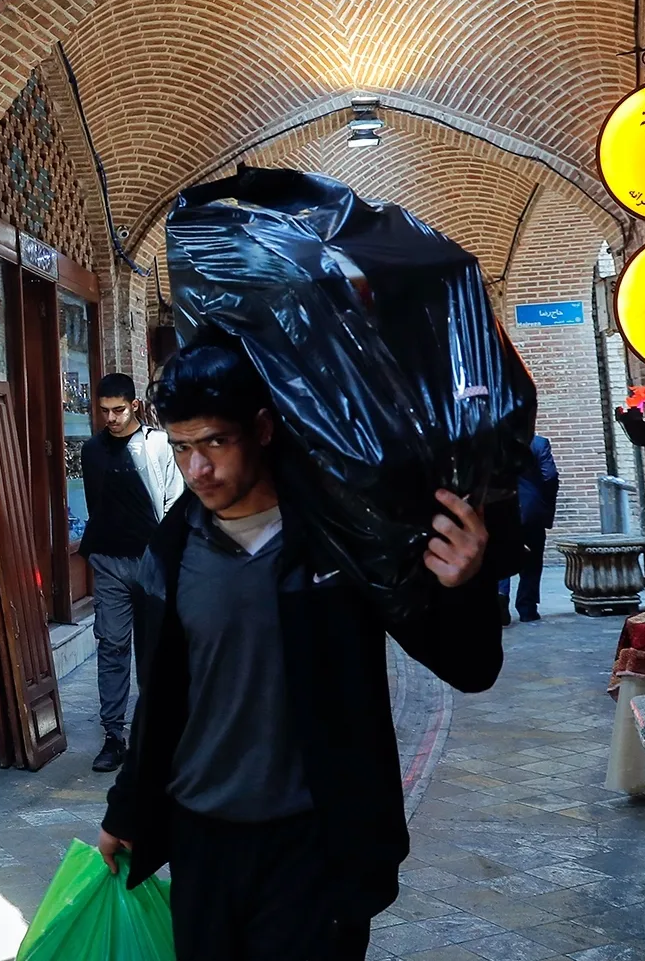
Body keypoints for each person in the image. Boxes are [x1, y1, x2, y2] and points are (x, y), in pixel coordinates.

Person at [97, 341, 502, 960]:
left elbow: (471, 667)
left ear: (262, 429)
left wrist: (464, 587)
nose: (197, 469)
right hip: (201, 841)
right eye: (181, 448)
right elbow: (164, 696)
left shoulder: (340, 544)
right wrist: (128, 809)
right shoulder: (172, 551)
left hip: (315, 844)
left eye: (215, 442)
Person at [78, 372, 184, 774]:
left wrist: (168, 554)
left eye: (118, 410)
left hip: (151, 560)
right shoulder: (92, 450)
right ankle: (113, 736)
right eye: (104, 410)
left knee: (156, 649)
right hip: (108, 561)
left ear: (134, 405)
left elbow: (173, 501)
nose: (111, 418)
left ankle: (158, 734)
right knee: (112, 645)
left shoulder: (158, 444)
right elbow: (96, 505)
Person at [506, 434, 559, 623]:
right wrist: (542, 500)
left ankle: (500, 600)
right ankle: (527, 608)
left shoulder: (492, 439)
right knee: (533, 558)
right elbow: (550, 475)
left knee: (500, 554)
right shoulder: (538, 443)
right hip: (530, 509)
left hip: (500, 507)